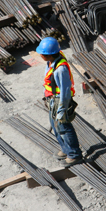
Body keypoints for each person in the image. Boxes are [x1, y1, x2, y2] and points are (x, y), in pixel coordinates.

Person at [36, 37, 83, 167]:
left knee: (64, 127)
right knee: (55, 125)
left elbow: (65, 91)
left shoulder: (60, 69)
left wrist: (62, 109)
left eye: (42, 53)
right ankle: (65, 149)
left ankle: (74, 154)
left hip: (60, 100)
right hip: (52, 99)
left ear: (49, 54)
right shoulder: (52, 59)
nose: (40, 55)